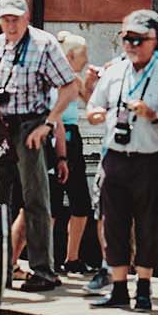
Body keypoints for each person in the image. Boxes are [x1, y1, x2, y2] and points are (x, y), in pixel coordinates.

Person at [0, 0, 80, 293]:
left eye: (15, 19)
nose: (10, 25)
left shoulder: (44, 44)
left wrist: (49, 124)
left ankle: (43, 270)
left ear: (26, 19)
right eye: (5, 20)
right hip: (1, 128)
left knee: (35, 199)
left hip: (30, 126)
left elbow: (70, 86)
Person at [86, 10, 158, 311]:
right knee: (113, 223)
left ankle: (145, 289)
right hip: (116, 156)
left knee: (148, 224)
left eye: (139, 39)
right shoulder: (115, 71)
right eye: (127, 38)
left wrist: (153, 116)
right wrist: (96, 114)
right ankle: (118, 288)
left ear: (155, 41)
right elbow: (93, 106)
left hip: (150, 159)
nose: (132, 45)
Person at [54, 31, 103, 279]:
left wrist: (90, 82)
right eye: (83, 54)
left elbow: (90, 101)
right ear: (72, 55)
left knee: (80, 202)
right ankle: (48, 259)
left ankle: (72, 257)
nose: (86, 59)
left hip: (73, 137)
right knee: (51, 203)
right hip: (56, 136)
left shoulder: (74, 78)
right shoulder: (56, 77)